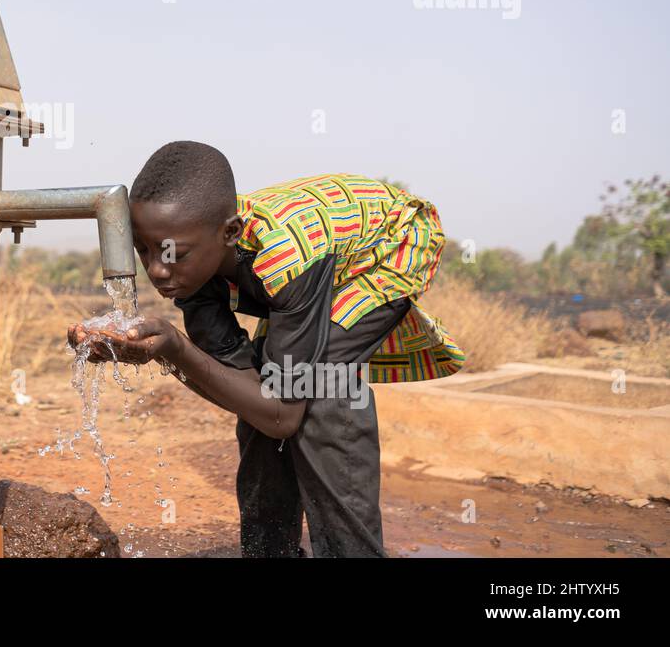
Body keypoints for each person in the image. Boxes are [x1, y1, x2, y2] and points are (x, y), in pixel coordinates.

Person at [70, 141, 465, 556]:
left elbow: (282, 416)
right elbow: (238, 385)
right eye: (144, 250)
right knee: (261, 388)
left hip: (386, 248)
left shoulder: (284, 258)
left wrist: (174, 350)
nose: (156, 270)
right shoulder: (190, 267)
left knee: (323, 392)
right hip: (300, 263)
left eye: (172, 255)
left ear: (230, 232)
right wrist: (163, 352)